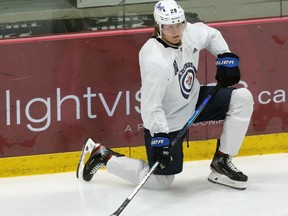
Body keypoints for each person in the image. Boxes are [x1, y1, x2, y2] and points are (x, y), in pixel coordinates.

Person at [76, 0, 254, 190]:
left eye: (179, 24)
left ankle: (222, 161)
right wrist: (160, 137)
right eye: (169, 27)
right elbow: (151, 105)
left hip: (193, 101)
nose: (176, 31)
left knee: (242, 98)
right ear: (159, 26)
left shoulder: (188, 32)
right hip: (168, 120)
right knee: (161, 181)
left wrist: (225, 56)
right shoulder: (155, 59)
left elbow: (211, 35)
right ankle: (104, 156)